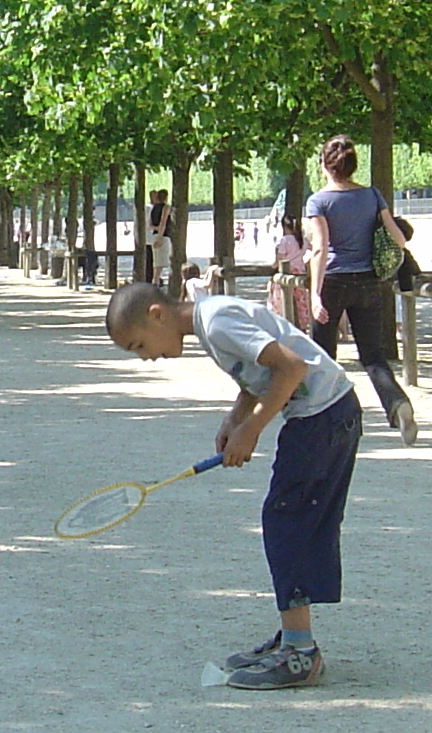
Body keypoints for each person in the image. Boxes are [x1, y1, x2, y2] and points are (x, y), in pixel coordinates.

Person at [107, 279, 360, 691]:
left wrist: (253, 430)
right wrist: (236, 418)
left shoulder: (217, 320)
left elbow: (291, 367)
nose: (145, 358)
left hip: (323, 418)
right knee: (289, 520)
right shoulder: (211, 321)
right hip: (324, 416)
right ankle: (293, 639)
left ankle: (301, 652)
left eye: (139, 346)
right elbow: (257, 375)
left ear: (157, 315)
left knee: (287, 522)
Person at [303, 136, 419, 445]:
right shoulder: (372, 195)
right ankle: (397, 404)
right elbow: (399, 239)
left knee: (323, 356)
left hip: (333, 282)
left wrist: (315, 295)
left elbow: (320, 248)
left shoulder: (319, 201)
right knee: (373, 356)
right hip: (367, 280)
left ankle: (326, 420)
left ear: (325, 165)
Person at [267, 217, 311, 330]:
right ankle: (302, 324)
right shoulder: (302, 240)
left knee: (281, 299)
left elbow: (280, 259)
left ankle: (283, 323)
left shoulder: (285, 240)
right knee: (300, 301)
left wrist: (272, 268)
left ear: (284, 227)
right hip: (300, 272)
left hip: (287, 272)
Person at [147, 189, 174, 282]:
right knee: (160, 265)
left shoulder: (153, 208)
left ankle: (155, 282)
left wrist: (157, 229)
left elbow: (149, 225)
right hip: (163, 236)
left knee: (156, 264)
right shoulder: (166, 207)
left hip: (154, 236)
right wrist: (160, 236)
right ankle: (155, 284)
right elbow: (163, 222)